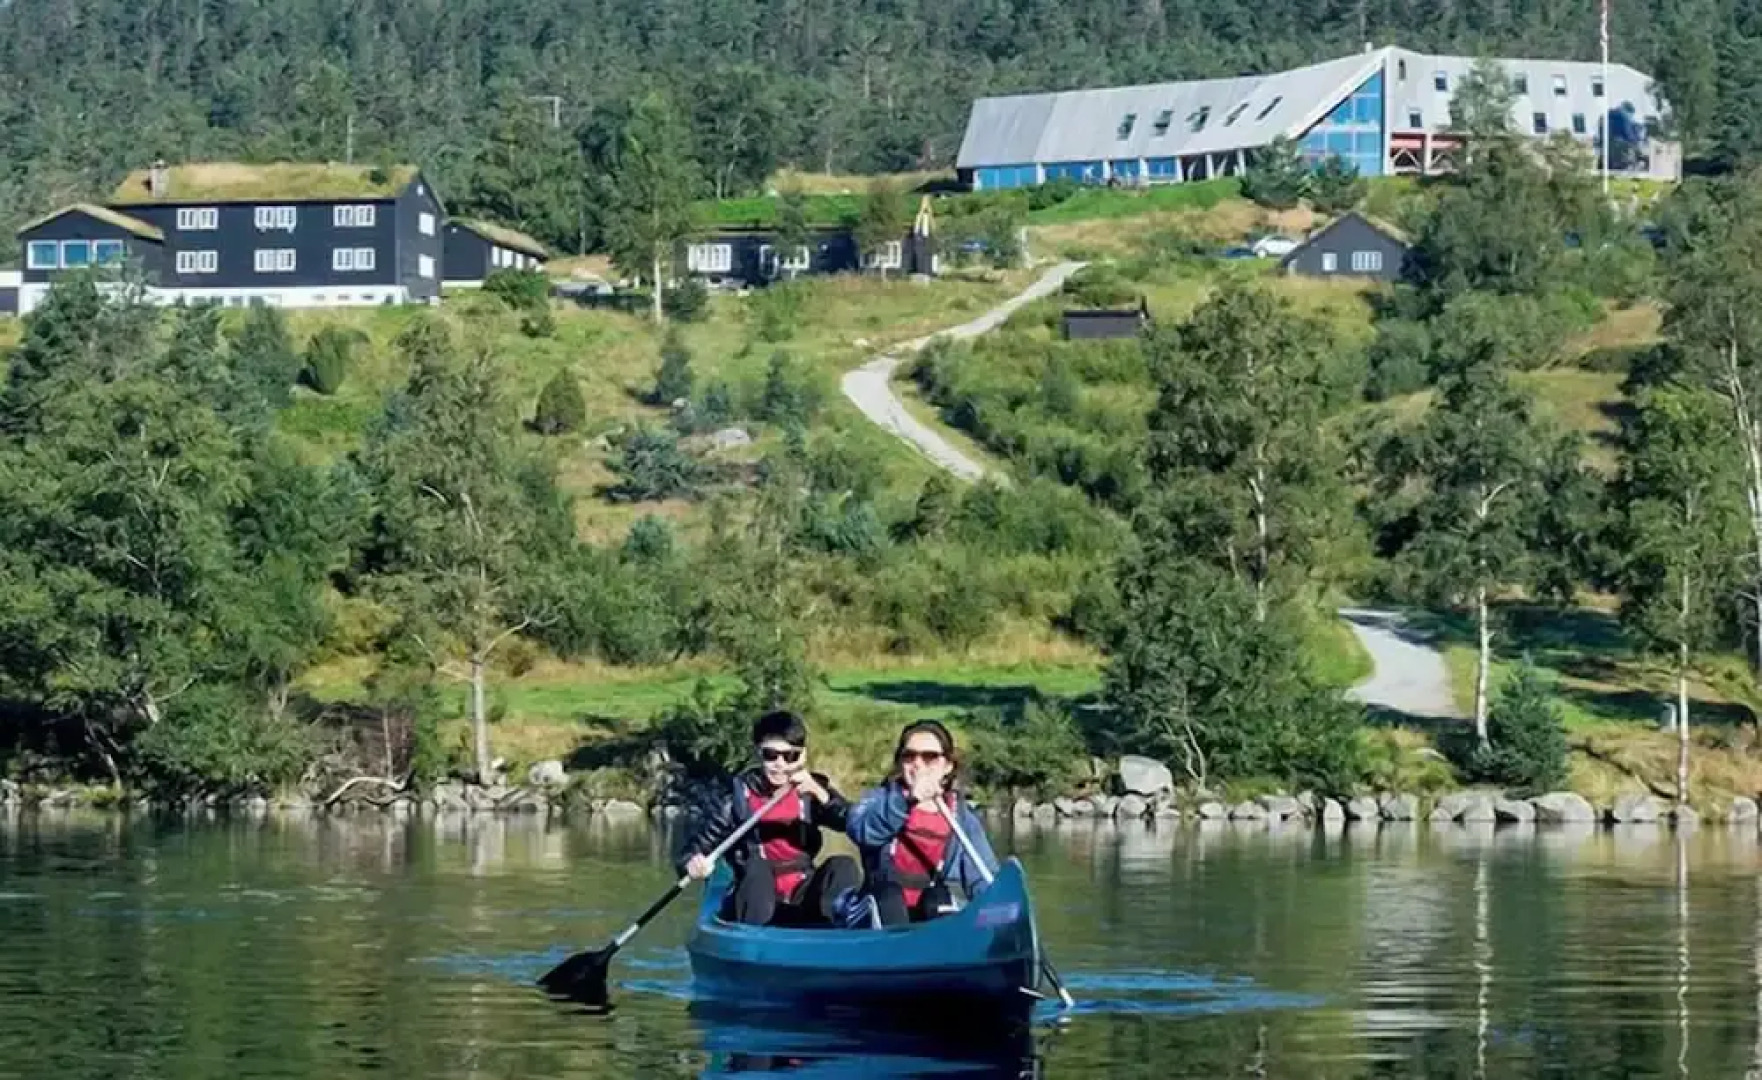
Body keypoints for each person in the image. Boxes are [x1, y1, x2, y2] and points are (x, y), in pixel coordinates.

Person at [677, 710, 859, 927]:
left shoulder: (812, 792)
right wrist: (692, 863)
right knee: (756, 867)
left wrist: (822, 795)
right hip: (754, 894)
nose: (780, 764)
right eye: (771, 755)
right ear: (758, 753)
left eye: (789, 756)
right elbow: (693, 850)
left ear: (802, 756)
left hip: (801, 892)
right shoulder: (736, 798)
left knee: (843, 865)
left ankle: (831, 932)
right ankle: (755, 939)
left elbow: (856, 823)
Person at [842, 719, 998, 928]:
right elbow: (862, 831)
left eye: (929, 757)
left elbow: (981, 879)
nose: (918, 764)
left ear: (947, 766)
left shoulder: (962, 818)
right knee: (890, 897)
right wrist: (908, 800)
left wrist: (999, 910)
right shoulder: (877, 800)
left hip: (930, 908)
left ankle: (941, 943)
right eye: (909, 756)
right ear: (900, 763)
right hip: (881, 905)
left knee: (940, 898)